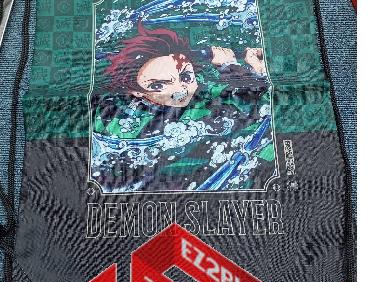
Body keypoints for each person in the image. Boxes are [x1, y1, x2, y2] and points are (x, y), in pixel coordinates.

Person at [90, 21, 275, 192]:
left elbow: (260, 102)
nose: (180, 90)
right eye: (158, 85)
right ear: (136, 91)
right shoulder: (118, 119)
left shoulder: (206, 91)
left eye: (186, 77)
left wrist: (234, 67)